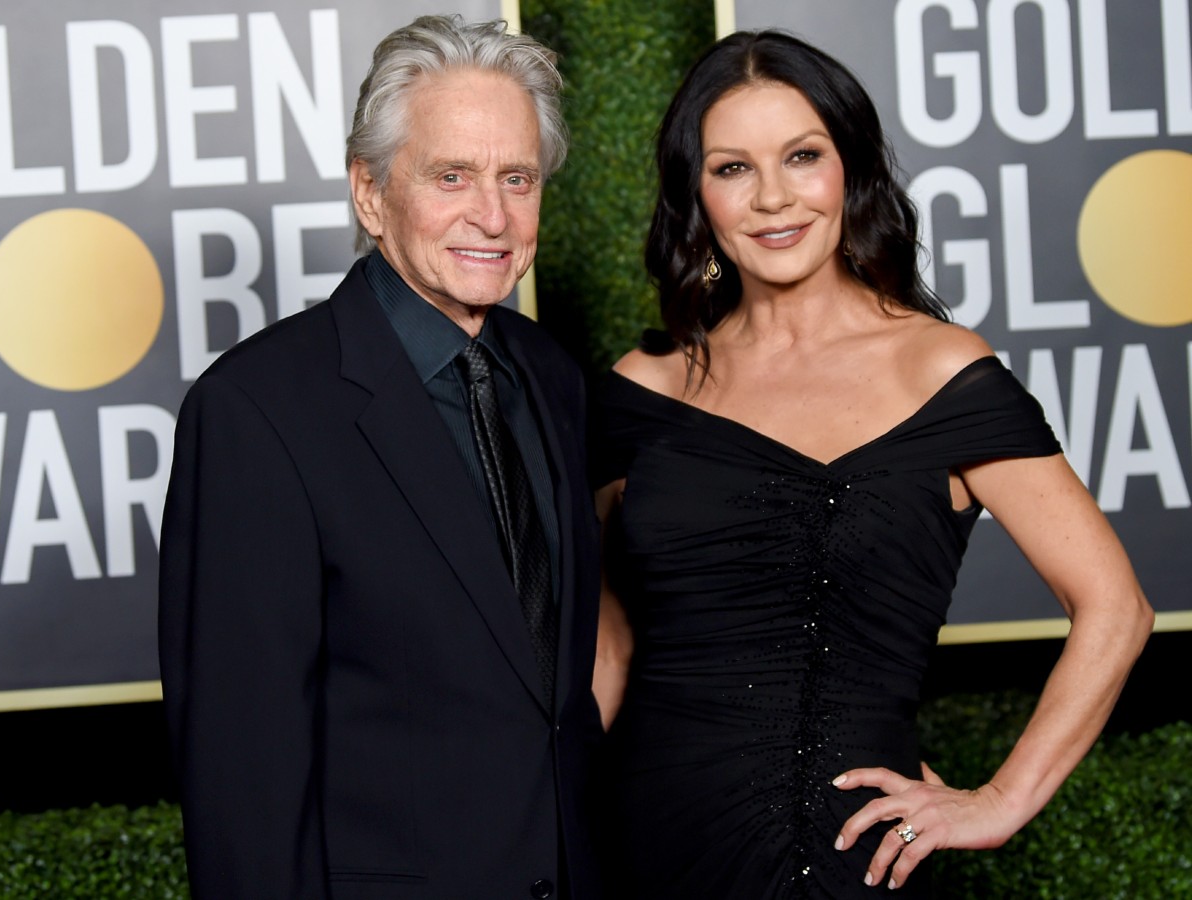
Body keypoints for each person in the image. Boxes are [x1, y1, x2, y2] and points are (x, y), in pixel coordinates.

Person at [591, 29, 1153, 898]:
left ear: (849, 168)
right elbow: (609, 650)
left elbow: (1116, 607)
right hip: (643, 841)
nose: (773, 198)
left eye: (802, 156)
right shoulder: (643, 388)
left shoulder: (941, 373)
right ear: (695, 193)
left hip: (859, 856)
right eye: (732, 168)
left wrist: (1002, 798)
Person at [159, 15, 603, 900]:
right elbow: (241, 772)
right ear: (370, 194)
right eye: (452, 176)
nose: (494, 214)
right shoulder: (255, 410)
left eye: (517, 177)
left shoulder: (551, 376)